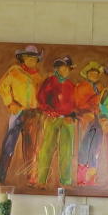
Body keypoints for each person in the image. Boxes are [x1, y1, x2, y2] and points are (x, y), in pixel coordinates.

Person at [0, 44, 44, 184]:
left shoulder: (38, 77)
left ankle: (31, 178)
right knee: (9, 146)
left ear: (37, 60)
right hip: (18, 112)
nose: (31, 60)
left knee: (31, 148)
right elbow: (2, 85)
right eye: (28, 57)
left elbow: (41, 96)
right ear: (23, 58)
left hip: (33, 114)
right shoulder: (14, 71)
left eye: (34, 58)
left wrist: (40, 109)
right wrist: (10, 103)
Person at [36, 55, 76, 186]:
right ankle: (41, 180)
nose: (64, 70)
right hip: (52, 119)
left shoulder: (71, 85)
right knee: (47, 148)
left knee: (66, 151)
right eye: (62, 68)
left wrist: (72, 116)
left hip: (67, 121)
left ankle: (66, 181)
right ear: (57, 69)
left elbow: (75, 104)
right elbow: (41, 99)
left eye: (67, 68)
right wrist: (49, 111)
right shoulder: (50, 81)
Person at [75, 61, 104, 185]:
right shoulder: (81, 87)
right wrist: (98, 97)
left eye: (96, 73)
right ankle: (81, 178)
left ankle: (91, 178)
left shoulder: (99, 88)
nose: (94, 75)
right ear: (87, 74)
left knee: (95, 148)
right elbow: (80, 104)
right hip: (85, 119)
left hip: (97, 120)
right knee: (84, 147)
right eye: (91, 73)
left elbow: (102, 104)